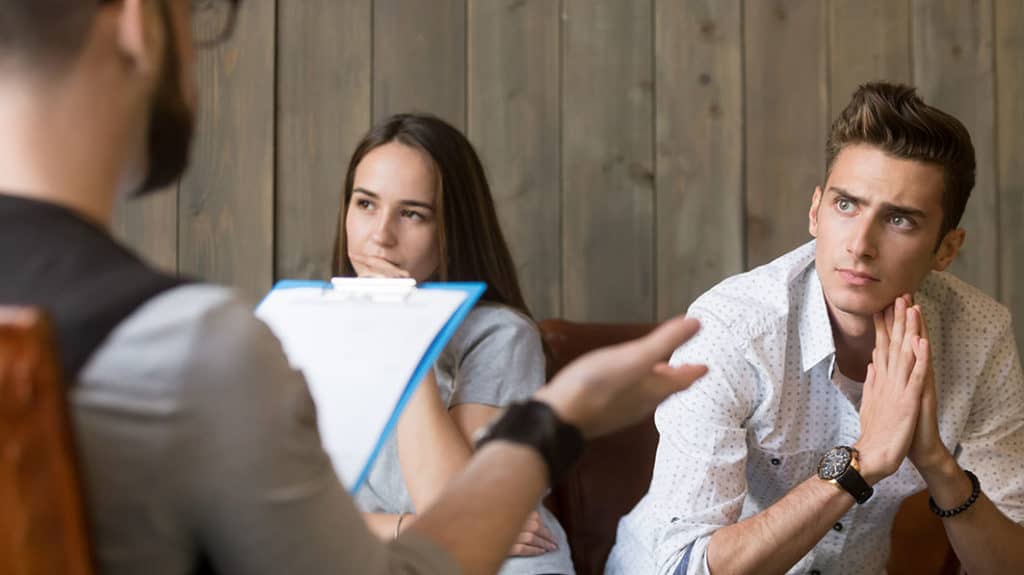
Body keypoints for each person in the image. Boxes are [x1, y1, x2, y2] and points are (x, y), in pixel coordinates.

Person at [0, 1, 708, 574]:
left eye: (412, 211)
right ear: (135, 23)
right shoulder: (193, 345)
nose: (381, 231)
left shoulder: (488, 333)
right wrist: (561, 414)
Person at [606, 82, 1024, 574]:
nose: (860, 245)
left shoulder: (979, 336)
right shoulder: (732, 329)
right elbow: (686, 565)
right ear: (815, 211)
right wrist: (861, 461)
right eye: (846, 205)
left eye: (899, 220)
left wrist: (936, 463)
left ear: (947, 249)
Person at [334, 112, 574, 574]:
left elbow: (455, 510)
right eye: (366, 204)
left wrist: (406, 338)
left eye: (411, 213)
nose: (381, 235)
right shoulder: (306, 325)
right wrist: (405, 528)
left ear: (450, 230)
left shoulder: (498, 333)